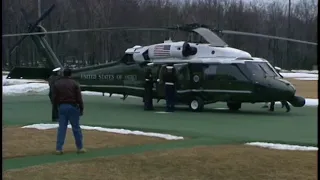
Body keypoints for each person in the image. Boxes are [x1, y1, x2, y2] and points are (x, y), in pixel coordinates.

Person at [52, 68, 86, 155]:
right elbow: (79, 97)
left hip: (62, 106)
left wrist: (55, 107)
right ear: (70, 74)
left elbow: (54, 97)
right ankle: (80, 147)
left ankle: (59, 148)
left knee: (62, 128)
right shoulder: (74, 83)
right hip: (73, 106)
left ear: (63, 74)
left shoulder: (57, 83)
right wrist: (81, 108)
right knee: (76, 128)